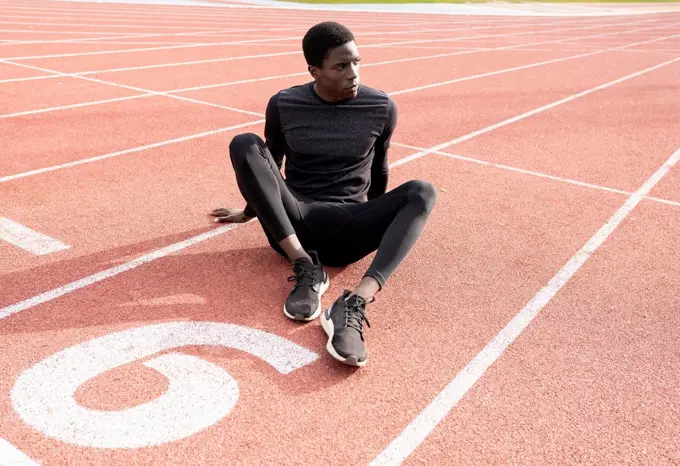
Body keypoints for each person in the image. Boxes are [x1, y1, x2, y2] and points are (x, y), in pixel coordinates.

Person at [210, 21, 436, 367]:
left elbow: (380, 170)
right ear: (314, 70)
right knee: (244, 143)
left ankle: (354, 302)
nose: (353, 73)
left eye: (357, 62)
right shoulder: (284, 104)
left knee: (422, 191)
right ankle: (305, 265)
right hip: (293, 225)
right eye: (341, 66)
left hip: (349, 227)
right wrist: (248, 212)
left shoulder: (381, 107)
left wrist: (376, 215)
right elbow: (267, 165)